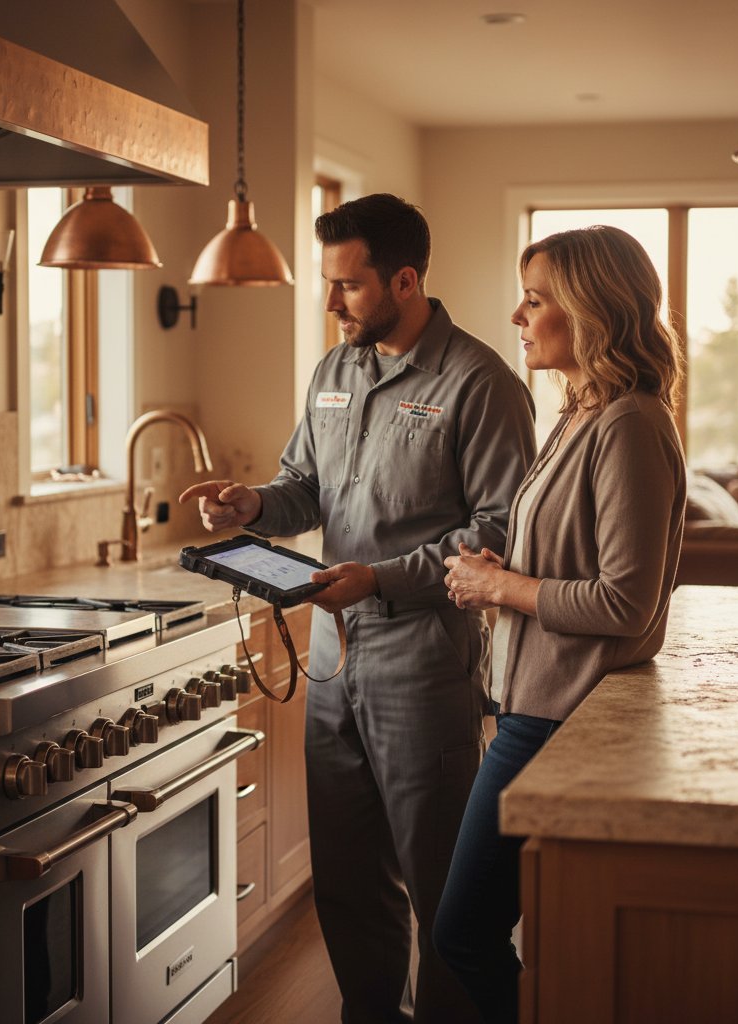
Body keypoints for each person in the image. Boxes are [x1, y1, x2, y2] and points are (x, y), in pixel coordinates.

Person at [180, 193, 537, 1023]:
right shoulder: (334, 371)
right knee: (344, 880)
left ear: (405, 281)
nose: (332, 304)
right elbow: (302, 488)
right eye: (328, 285)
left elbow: (499, 529)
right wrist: (250, 506)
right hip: (333, 662)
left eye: (348, 286)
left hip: (425, 665)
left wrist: (381, 579)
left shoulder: (482, 383)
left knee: (443, 892)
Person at [432, 225, 686, 1024]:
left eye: (536, 299)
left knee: (463, 933)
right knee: (486, 930)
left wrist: (503, 586)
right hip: (532, 707)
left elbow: (624, 601)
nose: (517, 313)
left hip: (555, 720)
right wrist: (495, 565)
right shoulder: (583, 412)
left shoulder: (630, 424)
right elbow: (572, 554)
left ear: (590, 310)